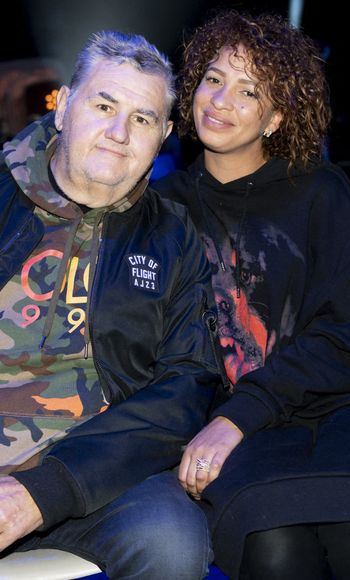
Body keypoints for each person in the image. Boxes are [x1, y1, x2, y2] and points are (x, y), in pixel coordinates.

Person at [155, 10, 350, 580]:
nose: (221, 100)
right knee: (273, 545)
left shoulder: (318, 190)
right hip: (238, 418)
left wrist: (239, 418)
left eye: (249, 90)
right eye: (213, 78)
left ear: (276, 116)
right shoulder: (163, 207)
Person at [0, 30, 223, 579]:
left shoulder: (171, 236)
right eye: (104, 105)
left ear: (165, 135)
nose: (119, 133)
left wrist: (44, 490)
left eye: (143, 118)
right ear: (65, 107)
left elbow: (188, 383)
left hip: (94, 471)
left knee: (171, 541)